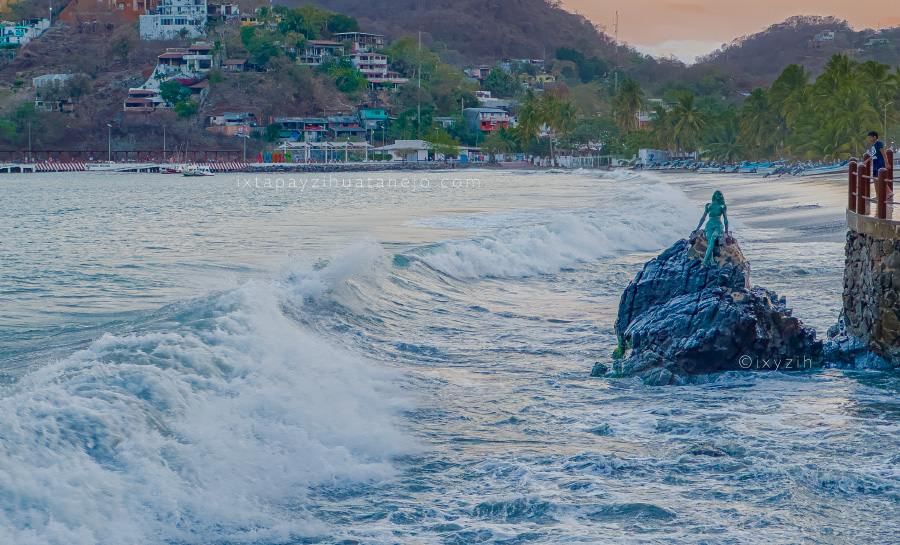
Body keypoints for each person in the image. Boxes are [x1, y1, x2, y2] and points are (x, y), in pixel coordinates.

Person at [694, 190, 729, 267]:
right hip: (709, 225)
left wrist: (726, 231)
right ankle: (712, 260)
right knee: (710, 242)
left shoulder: (722, 206)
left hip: (718, 225)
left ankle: (705, 260)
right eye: (717, 194)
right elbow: (703, 217)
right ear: (714, 195)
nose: (719, 195)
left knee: (713, 239)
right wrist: (697, 228)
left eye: (720, 194)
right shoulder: (708, 205)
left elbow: (725, 219)